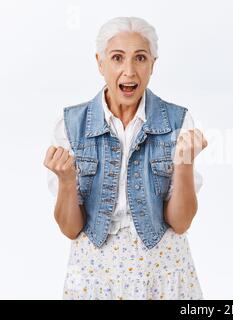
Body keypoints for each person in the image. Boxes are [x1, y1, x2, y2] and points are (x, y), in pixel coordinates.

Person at [43, 16, 208, 300]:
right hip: (94, 274)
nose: (129, 71)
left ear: (153, 64)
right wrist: (67, 181)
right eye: (117, 58)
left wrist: (184, 164)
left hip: (163, 271)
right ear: (100, 62)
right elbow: (71, 229)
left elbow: (180, 223)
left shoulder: (178, 121)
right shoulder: (70, 124)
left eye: (140, 58)